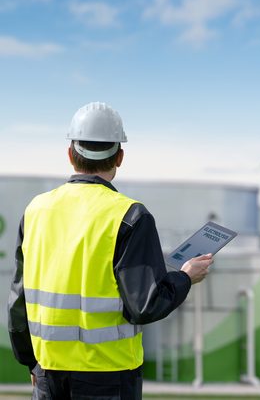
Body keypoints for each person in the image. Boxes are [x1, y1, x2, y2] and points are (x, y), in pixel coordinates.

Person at [8, 102, 213, 400]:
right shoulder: (130, 216)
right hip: (109, 376)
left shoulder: (35, 210)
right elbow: (146, 305)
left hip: (47, 371)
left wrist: (31, 361)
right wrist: (185, 278)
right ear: (119, 157)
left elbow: (19, 299)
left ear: (70, 154)